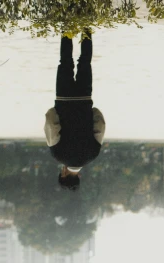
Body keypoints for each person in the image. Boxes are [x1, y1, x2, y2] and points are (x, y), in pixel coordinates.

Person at [44, 30, 106, 191]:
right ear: (63, 174)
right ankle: (68, 26)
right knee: (65, 61)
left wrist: (91, 110)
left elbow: (100, 124)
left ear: (78, 176)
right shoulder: (58, 154)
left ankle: (86, 26)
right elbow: (51, 124)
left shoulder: (92, 154)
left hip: (84, 99)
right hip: (63, 98)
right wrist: (54, 109)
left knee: (85, 62)